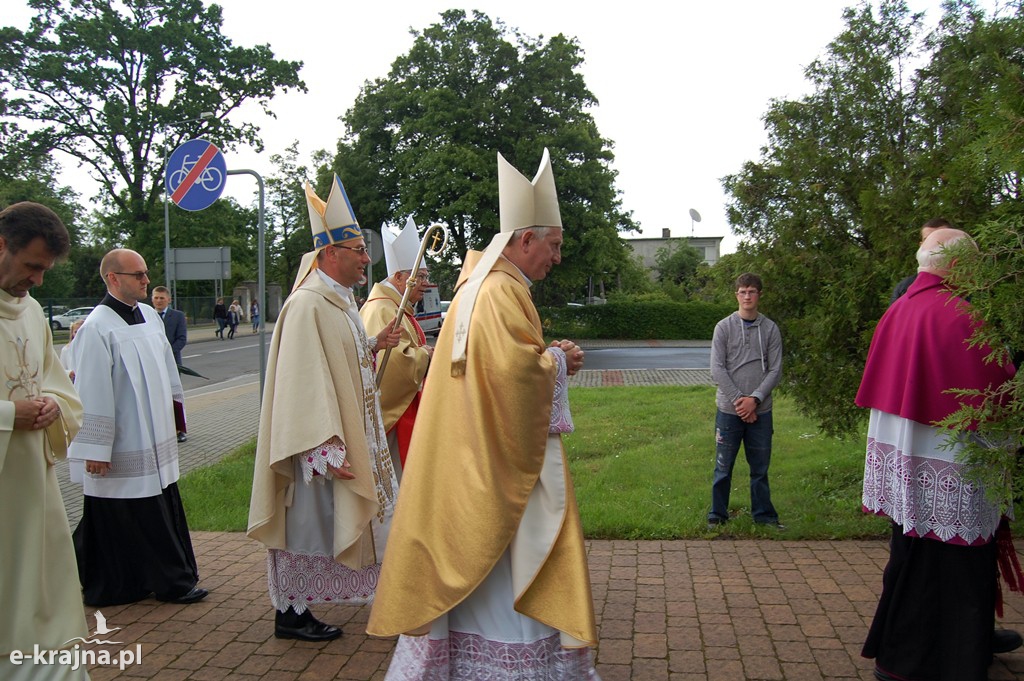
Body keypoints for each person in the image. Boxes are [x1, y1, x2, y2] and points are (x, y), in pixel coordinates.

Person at [368, 149, 599, 678]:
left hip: (471, 455)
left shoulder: (485, 285)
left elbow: (505, 365)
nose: (557, 257)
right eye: (554, 245)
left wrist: (548, 358)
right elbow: (516, 378)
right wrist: (559, 360)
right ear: (524, 239)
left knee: (476, 572)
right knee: (502, 569)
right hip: (494, 466)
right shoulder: (499, 292)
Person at [857, 228, 1019, 681]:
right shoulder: (964, 317)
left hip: (905, 462)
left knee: (908, 555)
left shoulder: (898, 310)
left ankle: (899, 654)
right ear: (962, 268)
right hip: (952, 467)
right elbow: (1000, 397)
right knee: (952, 567)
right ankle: (944, 659)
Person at [247, 174, 401, 642]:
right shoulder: (307, 305)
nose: (365, 259)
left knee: (322, 524)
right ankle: (291, 614)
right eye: (357, 249)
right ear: (328, 254)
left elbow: (337, 360)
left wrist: (372, 343)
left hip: (340, 437)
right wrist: (324, 449)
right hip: (315, 446)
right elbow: (301, 383)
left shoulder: (339, 302)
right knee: (306, 525)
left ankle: (301, 607)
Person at [67, 248, 206, 607]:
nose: (147, 280)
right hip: (122, 441)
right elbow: (91, 391)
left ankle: (162, 577)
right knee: (124, 512)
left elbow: (167, 370)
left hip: (155, 435)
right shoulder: (96, 328)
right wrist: (95, 450)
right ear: (113, 279)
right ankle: (165, 582)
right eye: (138, 275)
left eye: (145, 273)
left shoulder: (148, 315)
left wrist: (175, 414)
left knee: (154, 504)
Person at [0, 202, 90, 681]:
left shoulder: (31, 312)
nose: (37, 280)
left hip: (32, 480)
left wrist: (55, 405)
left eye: (45, 270)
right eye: (32, 266)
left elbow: (57, 384)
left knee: (38, 589)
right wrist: (8, 416)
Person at [707, 272, 784, 530]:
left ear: (759, 295)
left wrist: (756, 399)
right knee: (723, 467)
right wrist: (741, 401)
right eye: (743, 291)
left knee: (760, 468)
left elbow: (775, 370)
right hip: (729, 410)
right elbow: (717, 368)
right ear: (736, 295)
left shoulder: (770, 328)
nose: (747, 296)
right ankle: (717, 515)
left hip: (761, 411)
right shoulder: (723, 327)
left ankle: (764, 516)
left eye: (752, 291)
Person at [359, 217, 433, 479]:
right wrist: (427, 355)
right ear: (401, 277)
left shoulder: (395, 306)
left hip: (407, 408)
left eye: (426, 276)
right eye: (421, 277)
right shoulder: (382, 308)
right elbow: (393, 365)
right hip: (394, 416)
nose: (426, 283)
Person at [151, 286, 188, 443]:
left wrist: (166, 354)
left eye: (162, 298)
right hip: (152, 364)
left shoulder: (177, 316)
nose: (159, 301)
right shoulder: (145, 316)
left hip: (171, 363)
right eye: (156, 298)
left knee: (173, 398)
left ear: (168, 300)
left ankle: (179, 429)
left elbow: (181, 339)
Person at [889, 217, 952, 303]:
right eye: (929, 240)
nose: (936, 244)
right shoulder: (904, 289)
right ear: (921, 246)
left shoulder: (971, 284)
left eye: (941, 239)